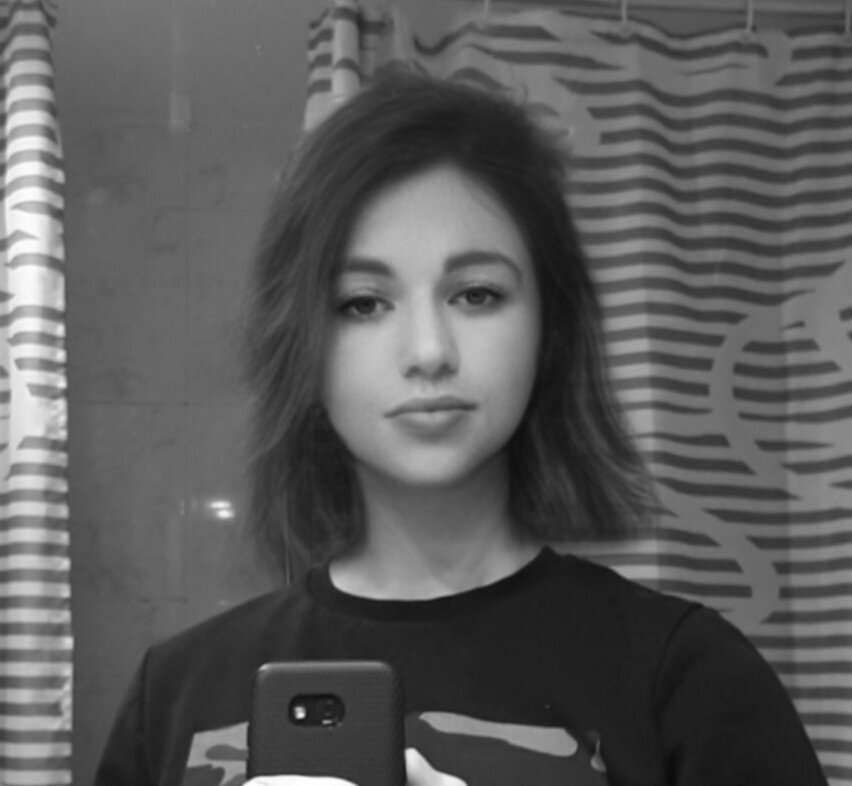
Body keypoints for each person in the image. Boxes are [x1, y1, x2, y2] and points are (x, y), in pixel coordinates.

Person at [94, 67, 828, 786]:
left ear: (550, 328)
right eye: (362, 303)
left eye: (476, 294)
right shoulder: (175, 694)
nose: (428, 352)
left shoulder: (692, 679)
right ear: (302, 346)